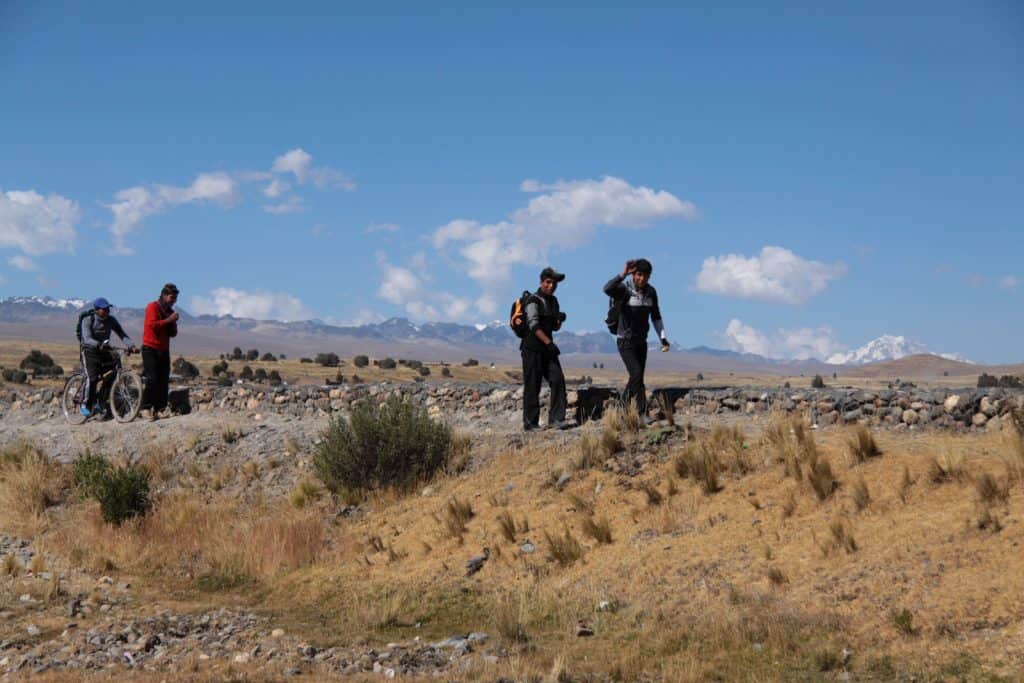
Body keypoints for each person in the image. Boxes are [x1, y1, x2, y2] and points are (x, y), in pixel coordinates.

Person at [603, 259, 670, 421]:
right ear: (634, 274)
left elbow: (656, 317)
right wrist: (623, 273)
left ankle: (642, 413)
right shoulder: (623, 289)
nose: (642, 279)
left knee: (639, 379)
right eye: (639, 275)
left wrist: (663, 338)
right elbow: (607, 288)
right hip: (625, 340)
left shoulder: (651, 292)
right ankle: (622, 408)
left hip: (642, 341)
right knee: (636, 373)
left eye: (646, 276)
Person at [521, 267, 570, 431]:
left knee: (557, 380)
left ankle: (556, 419)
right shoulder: (533, 301)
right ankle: (530, 423)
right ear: (541, 282)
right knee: (532, 387)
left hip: (547, 350)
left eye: (554, 283)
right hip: (532, 349)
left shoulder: (554, 301)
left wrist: (559, 320)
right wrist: (549, 343)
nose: (552, 286)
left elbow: (554, 328)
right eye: (548, 282)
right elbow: (533, 325)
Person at [78, 297, 138, 418]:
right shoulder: (88, 320)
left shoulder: (111, 320)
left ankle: (100, 401)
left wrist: (131, 346)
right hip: (89, 351)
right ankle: (84, 405)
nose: (107, 311)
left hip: (104, 350)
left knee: (114, 372)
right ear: (97, 310)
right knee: (92, 378)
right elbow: (87, 338)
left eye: (107, 308)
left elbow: (122, 334)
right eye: (104, 309)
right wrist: (98, 344)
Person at [142, 283, 180, 420]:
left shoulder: (170, 312)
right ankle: (145, 408)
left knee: (163, 380)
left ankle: (160, 409)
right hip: (150, 348)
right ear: (164, 295)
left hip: (164, 350)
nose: (173, 300)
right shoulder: (152, 307)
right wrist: (169, 320)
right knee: (152, 379)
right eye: (171, 297)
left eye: (175, 298)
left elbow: (173, 333)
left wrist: (173, 323)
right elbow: (152, 325)